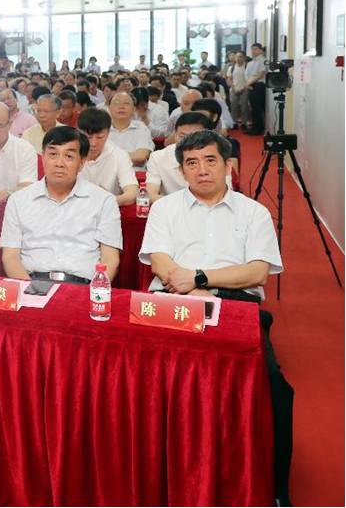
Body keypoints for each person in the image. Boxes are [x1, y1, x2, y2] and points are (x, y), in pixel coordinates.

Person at [138, 128, 291, 504]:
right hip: (174, 300)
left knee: (273, 388)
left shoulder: (254, 212)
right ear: (181, 171)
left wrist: (201, 278)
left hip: (236, 305)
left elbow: (257, 272)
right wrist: (192, 290)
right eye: (191, 163)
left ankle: (275, 489)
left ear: (228, 166)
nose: (202, 170)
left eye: (210, 160)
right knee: (140, 376)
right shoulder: (164, 209)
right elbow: (160, 263)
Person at [1, 126, 122, 283]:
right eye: (53, 154)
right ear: (42, 157)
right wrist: (29, 290)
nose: (59, 163)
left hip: (82, 285)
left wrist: (92, 292)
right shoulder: (18, 200)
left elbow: (110, 260)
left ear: (82, 162)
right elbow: (10, 257)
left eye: (69, 156)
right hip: (32, 282)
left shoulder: (104, 201)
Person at [145, 112, 226, 199]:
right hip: (172, 206)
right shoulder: (158, 157)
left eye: (195, 137)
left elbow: (224, 195)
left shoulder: (219, 157)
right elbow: (151, 195)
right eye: (182, 136)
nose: (188, 142)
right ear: (175, 135)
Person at [76, 108, 138, 206]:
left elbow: (132, 193)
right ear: (78, 132)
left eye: (100, 137)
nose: (93, 143)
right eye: (88, 137)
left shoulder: (119, 155)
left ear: (108, 133)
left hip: (108, 208)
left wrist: (106, 201)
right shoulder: (69, 153)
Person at [107, 91, 154, 167]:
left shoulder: (141, 128)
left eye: (126, 103)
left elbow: (140, 157)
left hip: (134, 174)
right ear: (109, 108)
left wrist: (107, 159)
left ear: (134, 109)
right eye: (116, 103)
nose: (121, 106)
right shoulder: (101, 128)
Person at [244, 43, 267, 134]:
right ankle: (254, 127)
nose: (253, 51)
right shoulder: (250, 63)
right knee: (252, 108)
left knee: (258, 108)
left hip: (259, 86)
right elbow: (246, 75)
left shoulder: (263, 60)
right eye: (252, 49)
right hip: (250, 85)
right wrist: (248, 84)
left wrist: (249, 83)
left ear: (261, 50)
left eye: (256, 49)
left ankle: (259, 129)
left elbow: (260, 74)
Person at [227, 51, 249, 129]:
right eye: (237, 56)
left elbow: (249, 79)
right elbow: (229, 79)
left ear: (244, 58)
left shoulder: (247, 67)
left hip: (245, 89)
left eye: (240, 56)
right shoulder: (231, 68)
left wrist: (243, 88)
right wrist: (234, 88)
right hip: (234, 90)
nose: (238, 58)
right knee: (233, 107)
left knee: (244, 107)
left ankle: (244, 123)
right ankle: (234, 123)